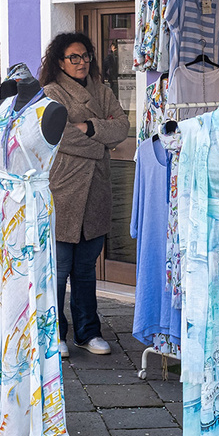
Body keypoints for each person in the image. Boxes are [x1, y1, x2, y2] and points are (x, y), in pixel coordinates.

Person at [40, 32, 128, 356]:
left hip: (96, 189)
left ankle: (88, 331)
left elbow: (121, 127)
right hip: (64, 188)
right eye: (74, 57)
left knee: (85, 269)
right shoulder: (52, 93)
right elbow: (60, 137)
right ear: (60, 62)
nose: (82, 62)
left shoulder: (102, 91)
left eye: (85, 56)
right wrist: (101, 141)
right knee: (59, 268)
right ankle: (55, 334)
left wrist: (89, 127)